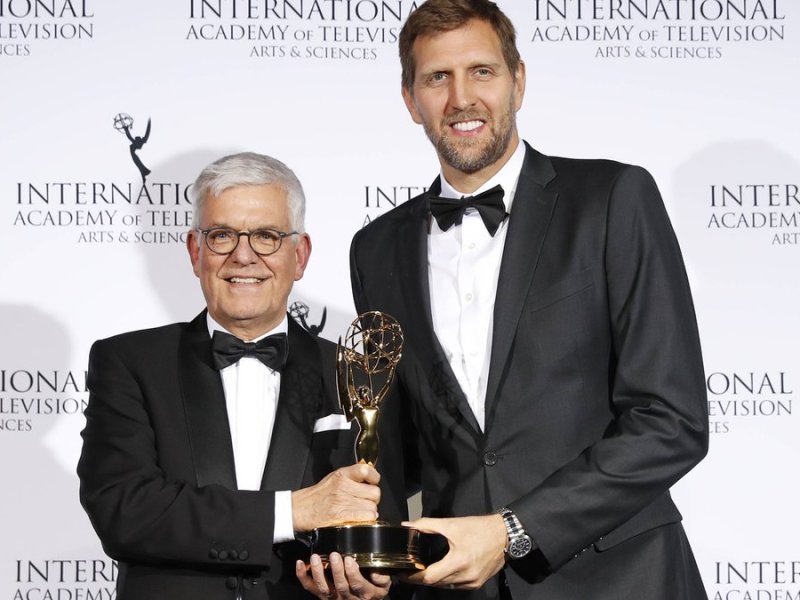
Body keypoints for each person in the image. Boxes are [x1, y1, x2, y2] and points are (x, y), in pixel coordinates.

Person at [348, 1, 710, 598]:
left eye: (482, 72)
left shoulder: (613, 198)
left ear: (519, 80)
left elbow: (672, 421)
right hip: (457, 588)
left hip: (620, 579)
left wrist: (513, 531)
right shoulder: (374, 247)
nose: (461, 98)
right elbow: (395, 442)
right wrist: (365, 556)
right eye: (438, 77)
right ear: (410, 99)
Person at [78, 152, 403, 600]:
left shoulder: (359, 373)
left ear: (300, 255)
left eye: (267, 236)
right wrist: (294, 510)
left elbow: (387, 529)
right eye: (222, 236)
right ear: (195, 252)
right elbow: (123, 511)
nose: (243, 256)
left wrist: (376, 584)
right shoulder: (129, 362)